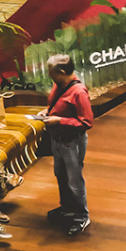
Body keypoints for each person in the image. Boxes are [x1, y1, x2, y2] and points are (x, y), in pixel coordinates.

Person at [38, 54, 93, 236]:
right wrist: (48, 112)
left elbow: (86, 122)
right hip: (58, 140)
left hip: (72, 143)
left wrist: (60, 121)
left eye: (50, 71)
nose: (48, 74)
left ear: (61, 72)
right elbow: (58, 105)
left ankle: (81, 217)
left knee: (74, 180)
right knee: (61, 175)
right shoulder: (59, 84)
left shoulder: (79, 92)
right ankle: (66, 208)